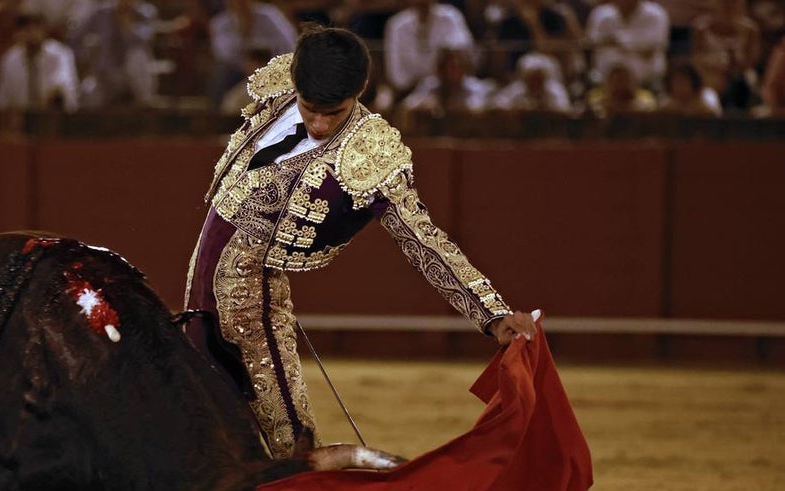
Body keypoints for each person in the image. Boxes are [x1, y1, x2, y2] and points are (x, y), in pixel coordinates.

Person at [183, 26, 536, 458]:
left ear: (361, 89)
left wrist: (492, 314)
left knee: (291, 441)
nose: (319, 124)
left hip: (252, 307)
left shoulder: (370, 152)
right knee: (200, 423)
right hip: (200, 292)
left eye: (334, 112)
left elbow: (423, 240)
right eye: (310, 109)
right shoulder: (281, 92)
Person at [70, 0, 160, 108]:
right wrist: (84, 57)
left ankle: (144, 104)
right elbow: (76, 37)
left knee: (137, 54)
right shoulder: (101, 13)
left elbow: (145, 39)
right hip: (106, 75)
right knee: (87, 98)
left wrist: (127, 25)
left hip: (132, 75)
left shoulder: (146, 12)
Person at [382, 0, 475, 98]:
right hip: (408, 93)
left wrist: (438, 78)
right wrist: (420, 89)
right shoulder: (396, 25)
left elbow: (461, 56)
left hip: (449, 90)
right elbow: (396, 75)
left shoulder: (451, 17)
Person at [0, 12, 81, 111]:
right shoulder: (10, 59)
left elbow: (63, 86)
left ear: (44, 31)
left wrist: (45, 100)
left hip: (54, 114)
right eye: (27, 30)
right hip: (20, 116)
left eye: (36, 29)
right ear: (18, 34)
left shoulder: (59, 54)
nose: (32, 35)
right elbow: (2, 99)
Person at [585, 0, 670, 91]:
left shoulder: (656, 15)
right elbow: (590, 43)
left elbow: (650, 50)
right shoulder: (600, 14)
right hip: (604, 85)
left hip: (646, 83)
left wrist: (618, 42)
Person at [400, 45, 494, 114]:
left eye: (457, 68)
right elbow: (407, 105)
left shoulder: (473, 88)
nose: (452, 73)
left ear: (464, 69)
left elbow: (484, 104)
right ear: (439, 70)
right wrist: (425, 104)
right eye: (448, 68)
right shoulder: (430, 85)